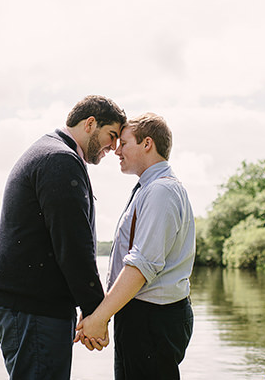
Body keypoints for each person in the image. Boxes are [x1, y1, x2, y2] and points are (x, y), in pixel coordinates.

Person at [0, 95, 127, 380]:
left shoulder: (53, 152)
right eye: (112, 135)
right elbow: (72, 244)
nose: (114, 146)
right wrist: (95, 310)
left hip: (26, 302)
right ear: (90, 123)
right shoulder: (59, 159)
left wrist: (90, 309)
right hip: (31, 307)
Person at [75, 112, 195, 380]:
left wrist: (100, 317)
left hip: (152, 318)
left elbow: (142, 265)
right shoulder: (150, 189)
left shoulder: (160, 191)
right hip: (146, 315)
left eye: (124, 142)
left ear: (147, 144)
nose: (117, 150)